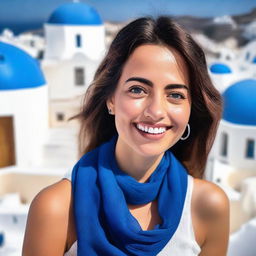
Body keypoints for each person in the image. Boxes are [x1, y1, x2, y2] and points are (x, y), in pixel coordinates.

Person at [22, 16, 229, 256]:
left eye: (175, 95)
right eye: (137, 90)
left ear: (191, 109)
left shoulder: (208, 207)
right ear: (111, 99)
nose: (156, 112)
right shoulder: (56, 208)